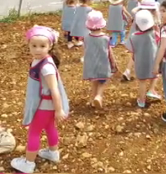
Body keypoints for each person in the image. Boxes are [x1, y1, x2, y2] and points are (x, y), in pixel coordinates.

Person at [11, 26, 69, 174]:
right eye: (34, 46)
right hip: (47, 105)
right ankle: (53, 152)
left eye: (42, 46)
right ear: (28, 45)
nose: (38, 50)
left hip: (45, 105)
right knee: (49, 127)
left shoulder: (46, 67)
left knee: (34, 132)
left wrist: (59, 109)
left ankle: (28, 163)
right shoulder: (41, 61)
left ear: (50, 46)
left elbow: (54, 89)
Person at [122, 0, 160, 89]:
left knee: (135, 53)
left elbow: (133, 10)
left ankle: (127, 70)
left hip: (135, 34)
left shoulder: (138, 14)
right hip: (147, 38)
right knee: (149, 56)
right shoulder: (150, 17)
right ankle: (151, 83)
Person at [126, 10, 161, 108]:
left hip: (140, 62)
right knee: (155, 76)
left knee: (142, 81)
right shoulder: (155, 34)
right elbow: (159, 44)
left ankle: (141, 101)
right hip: (153, 60)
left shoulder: (133, 37)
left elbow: (131, 50)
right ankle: (151, 90)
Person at [83, 11, 117, 108]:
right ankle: (98, 96)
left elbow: (85, 51)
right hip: (103, 64)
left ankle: (92, 100)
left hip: (91, 64)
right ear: (101, 25)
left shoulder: (86, 38)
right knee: (104, 81)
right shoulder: (105, 38)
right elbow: (110, 52)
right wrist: (113, 63)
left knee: (94, 81)